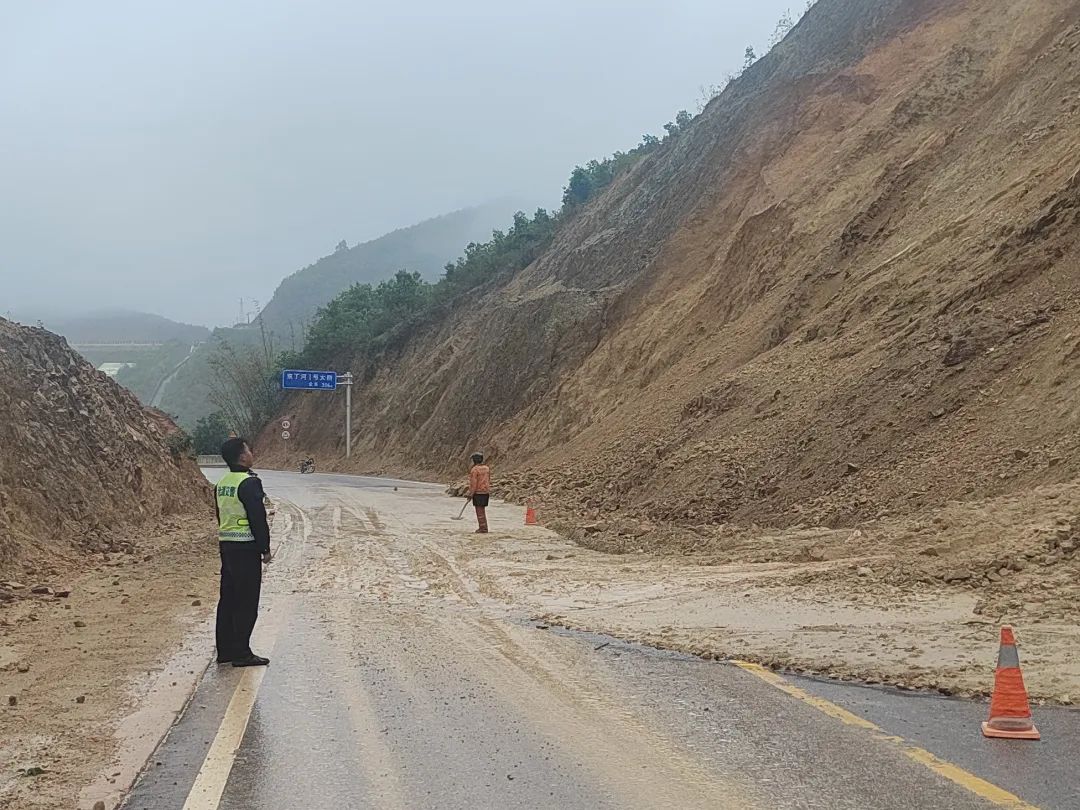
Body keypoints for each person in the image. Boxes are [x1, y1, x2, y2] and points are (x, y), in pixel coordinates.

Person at [215, 438, 272, 667]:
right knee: (246, 601)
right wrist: (264, 548)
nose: (251, 452)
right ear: (241, 457)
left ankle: (225, 650)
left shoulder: (222, 483)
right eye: (248, 449)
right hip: (246, 548)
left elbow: (220, 514)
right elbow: (257, 518)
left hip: (226, 546)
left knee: (228, 598)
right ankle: (242, 653)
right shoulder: (249, 483)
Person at [467, 452, 491, 534]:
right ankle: (484, 527)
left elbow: (474, 483)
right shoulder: (487, 468)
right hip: (486, 492)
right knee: (482, 510)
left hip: (478, 492)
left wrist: (470, 494)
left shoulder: (474, 470)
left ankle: (483, 528)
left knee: (479, 511)